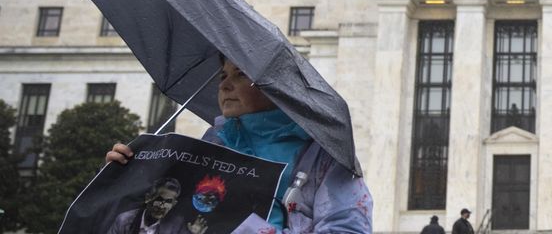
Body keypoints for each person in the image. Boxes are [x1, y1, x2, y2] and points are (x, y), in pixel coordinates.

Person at [106, 58, 373, 233]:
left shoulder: (321, 155)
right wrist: (126, 175)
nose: (224, 85)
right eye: (223, 74)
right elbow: (164, 214)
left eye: (240, 73)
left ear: (277, 86)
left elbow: (347, 227)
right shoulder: (212, 143)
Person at [107, 177, 199, 234]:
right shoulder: (124, 220)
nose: (162, 206)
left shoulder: (175, 225)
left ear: (173, 205)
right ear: (148, 198)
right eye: (159, 199)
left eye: (168, 202)